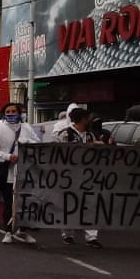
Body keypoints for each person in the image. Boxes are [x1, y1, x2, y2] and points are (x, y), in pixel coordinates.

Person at [0, 102, 36, 244]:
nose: (11, 114)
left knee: (25, 202)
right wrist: (8, 157)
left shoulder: (26, 128)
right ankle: (8, 231)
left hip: (25, 173)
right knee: (9, 202)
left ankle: (22, 231)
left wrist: (26, 143)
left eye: (14, 111)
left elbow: (37, 144)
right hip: (7, 173)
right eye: (8, 112)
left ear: (19, 113)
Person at [53, 106, 102, 248]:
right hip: (69, 176)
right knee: (69, 205)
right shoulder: (65, 134)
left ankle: (91, 237)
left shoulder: (90, 135)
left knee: (90, 205)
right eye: (88, 118)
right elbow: (59, 153)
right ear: (83, 119)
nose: (90, 121)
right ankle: (68, 234)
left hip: (88, 176)